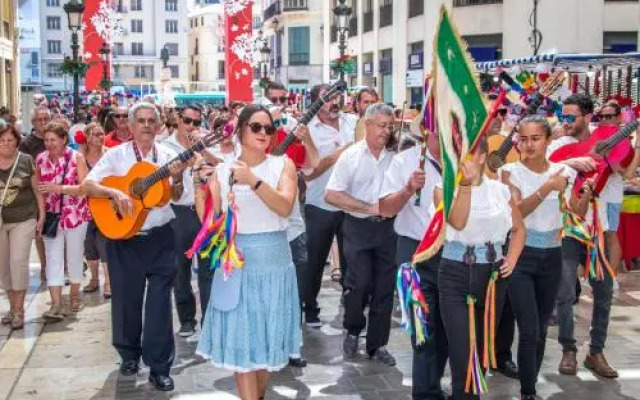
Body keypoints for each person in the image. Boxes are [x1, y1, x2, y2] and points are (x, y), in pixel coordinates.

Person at [196, 105, 301, 400]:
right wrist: (200, 188)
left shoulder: (283, 166)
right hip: (238, 266)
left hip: (275, 267)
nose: (264, 134)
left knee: (267, 351)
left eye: (270, 128)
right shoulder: (223, 168)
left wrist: (253, 181)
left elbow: (284, 206)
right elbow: (211, 219)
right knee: (242, 349)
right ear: (241, 129)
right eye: (256, 127)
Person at [82, 102, 187, 391]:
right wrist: (114, 191)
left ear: (159, 124)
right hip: (123, 238)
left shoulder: (168, 155)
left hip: (161, 236)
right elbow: (88, 186)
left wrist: (177, 177)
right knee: (127, 301)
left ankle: (160, 366)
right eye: (140, 120)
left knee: (159, 303)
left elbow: (177, 196)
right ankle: (128, 354)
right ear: (130, 124)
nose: (146, 125)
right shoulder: (116, 156)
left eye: (151, 120)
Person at [434, 136, 525, 400]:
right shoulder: (444, 188)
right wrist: (463, 184)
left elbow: (519, 230)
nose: (462, 160)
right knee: (463, 352)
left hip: (493, 274)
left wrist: (512, 258)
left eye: (469, 154)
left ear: (484, 157)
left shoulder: (500, 190)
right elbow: (458, 222)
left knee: (484, 350)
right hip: (455, 271)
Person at [500, 116, 576, 400]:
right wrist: (547, 188)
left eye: (536, 138)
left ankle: (529, 381)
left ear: (547, 141)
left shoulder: (563, 170)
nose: (529, 144)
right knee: (529, 327)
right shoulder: (510, 171)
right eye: (524, 138)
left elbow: (576, 210)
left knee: (541, 328)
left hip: (553, 256)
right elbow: (517, 213)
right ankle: (528, 391)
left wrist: (583, 193)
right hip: (520, 255)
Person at [379, 121, 449, 396]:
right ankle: (424, 393)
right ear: (426, 130)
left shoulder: (465, 161)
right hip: (416, 253)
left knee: (446, 330)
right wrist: (408, 189)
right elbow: (385, 209)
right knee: (423, 331)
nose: (445, 139)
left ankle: (433, 386)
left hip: (453, 254)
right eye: (439, 131)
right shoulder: (404, 161)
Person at [551, 94, 618, 378]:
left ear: (588, 117)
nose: (565, 122)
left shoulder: (604, 140)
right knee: (565, 293)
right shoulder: (555, 145)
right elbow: (542, 169)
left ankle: (596, 351)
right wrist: (571, 164)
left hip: (596, 227)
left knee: (603, 291)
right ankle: (568, 349)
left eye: (571, 117)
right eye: (562, 116)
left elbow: (621, 164)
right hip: (566, 229)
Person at [325, 103, 397, 365]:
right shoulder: (351, 156)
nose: (386, 132)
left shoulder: (396, 155)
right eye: (381, 126)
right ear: (367, 125)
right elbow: (331, 194)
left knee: (384, 289)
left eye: (390, 126)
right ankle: (353, 327)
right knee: (358, 285)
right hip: (357, 227)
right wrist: (369, 207)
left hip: (389, 229)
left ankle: (378, 345)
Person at [304, 83, 357, 326]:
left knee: (353, 265)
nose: (334, 102)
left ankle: (352, 314)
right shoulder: (308, 131)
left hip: (351, 205)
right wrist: (337, 156)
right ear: (315, 103)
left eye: (336, 97)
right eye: (327, 99)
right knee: (314, 262)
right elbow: (308, 174)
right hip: (320, 205)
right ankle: (311, 309)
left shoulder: (355, 123)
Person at [162, 104, 213, 338]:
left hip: (205, 211)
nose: (192, 126)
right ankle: (186, 318)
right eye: (187, 120)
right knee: (180, 270)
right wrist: (178, 174)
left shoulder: (204, 143)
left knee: (207, 269)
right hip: (179, 211)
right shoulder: (164, 147)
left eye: (196, 122)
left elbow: (219, 170)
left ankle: (210, 318)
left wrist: (203, 155)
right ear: (178, 119)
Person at [36, 122, 91, 319]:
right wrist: (41, 215)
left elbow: (85, 188)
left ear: (63, 140)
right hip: (52, 216)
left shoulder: (77, 158)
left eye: (53, 140)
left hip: (75, 214)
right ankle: (56, 304)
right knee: (53, 259)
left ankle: (75, 296)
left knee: (75, 256)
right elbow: (38, 191)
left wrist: (59, 189)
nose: (49, 144)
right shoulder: (40, 159)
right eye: (46, 140)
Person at [0, 124, 45, 330]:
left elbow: (37, 191)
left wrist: (41, 216)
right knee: (3, 266)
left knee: (18, 261)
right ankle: (11, 306)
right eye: (2, 141)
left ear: (17, 141)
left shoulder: (26, 161)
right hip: (2, 221)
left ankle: (19, 310)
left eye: (10, 140)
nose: (6, 144)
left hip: (24, 218)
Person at [19, 107, 51, 281]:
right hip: (36, 191)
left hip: (55, 190)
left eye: (46, 119)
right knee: (40, 231)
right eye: (39, 119)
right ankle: (45, 266)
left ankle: (59, 265)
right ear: (33, 122)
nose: (43, 122)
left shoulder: (57, 138)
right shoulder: (26, 143)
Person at [80, 123, 110, 298]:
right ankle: (93, 278)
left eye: (102, 134)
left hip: (106, 205)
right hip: (85, 207)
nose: (100, 137)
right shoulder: (81, 157)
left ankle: (108, 281)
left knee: (104, 242)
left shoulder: (109, 154)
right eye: (96, 134)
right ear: (88, 137)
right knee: (89, 244)